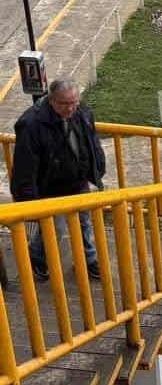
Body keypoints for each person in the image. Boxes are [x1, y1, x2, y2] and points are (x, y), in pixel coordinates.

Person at [10, 78, 106, 282]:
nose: (71, 108)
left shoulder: (82, 113)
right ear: (51, 100)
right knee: (55, 228)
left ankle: (89, 259)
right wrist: (29, 200)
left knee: (84, 221)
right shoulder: (32, 124)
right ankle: (38, 257)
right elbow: (25, 166)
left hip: (77, 180)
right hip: (50, 188)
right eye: (65, 104)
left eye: (74, 102)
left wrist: (97, 167)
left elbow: (91, 142)